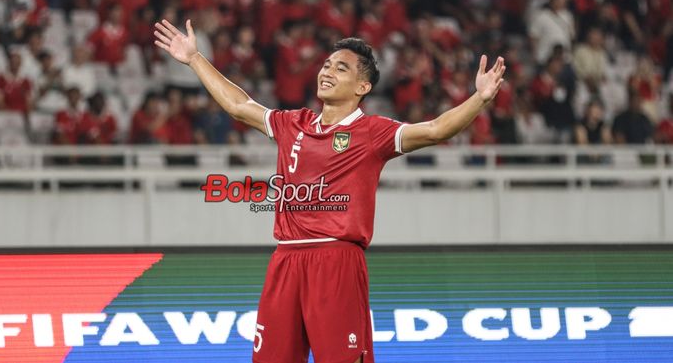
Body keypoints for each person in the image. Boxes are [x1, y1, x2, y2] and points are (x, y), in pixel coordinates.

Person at [154, 18, 505, 363]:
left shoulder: (372, 132)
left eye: (341, 68)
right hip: (285, 261)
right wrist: (195, 59)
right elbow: (239, 106)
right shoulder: (295, 123)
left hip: (337, 260)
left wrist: (479, 98)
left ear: (362, 88)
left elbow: (434, 131)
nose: (327, 71)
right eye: (326, 65)